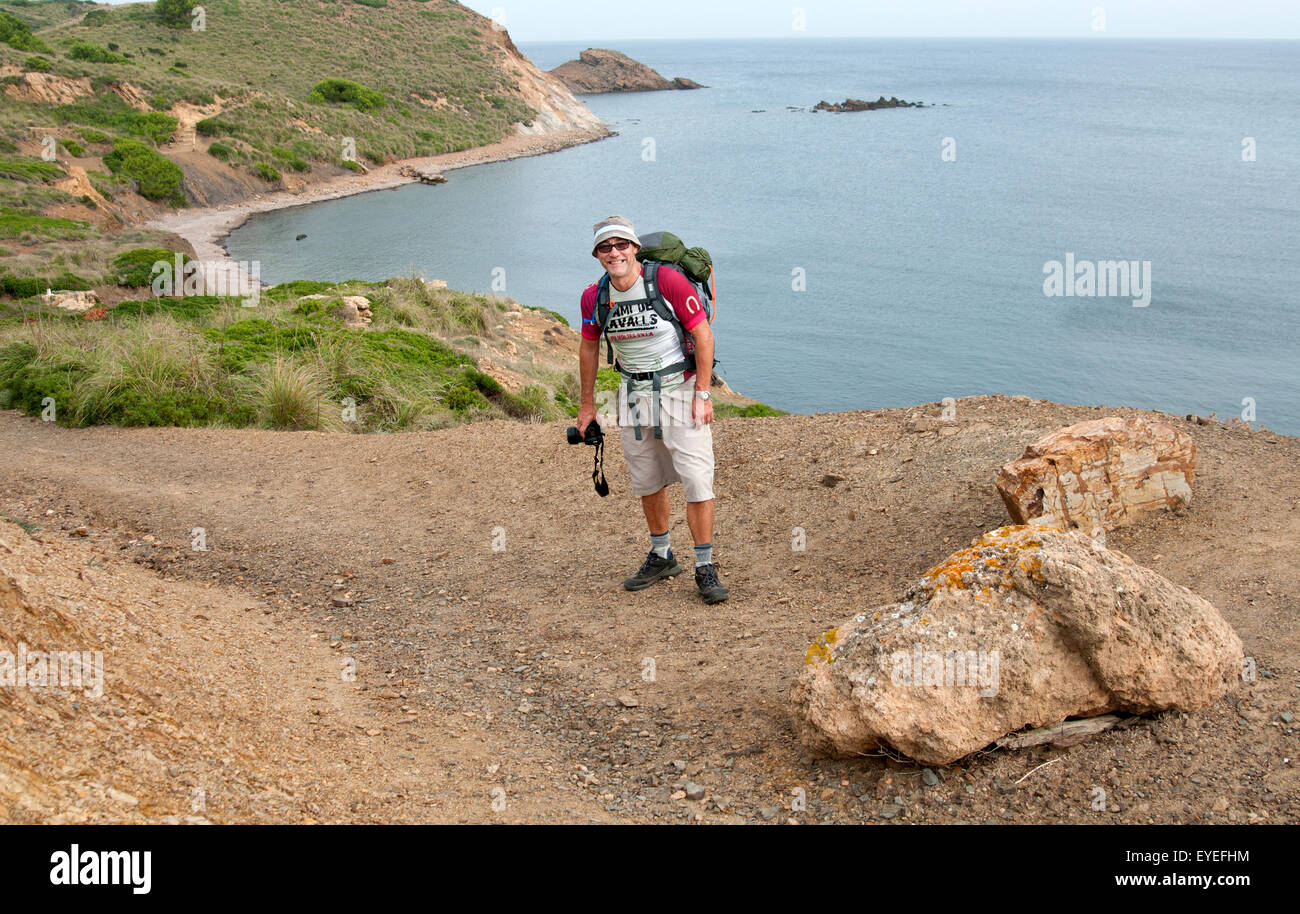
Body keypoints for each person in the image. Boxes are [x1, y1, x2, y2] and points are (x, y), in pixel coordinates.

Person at [575, 216, 729, 604]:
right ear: (597, 255)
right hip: (632, 394)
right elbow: (589, 347)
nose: (615, 253)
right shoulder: (594, 296)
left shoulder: (665, 282)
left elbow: (702, 334)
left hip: (680, 389)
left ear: (635, 248)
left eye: (621, 244)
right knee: (647, 480)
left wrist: (704, 394)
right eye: (605, 247)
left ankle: (705, 566)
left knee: (696, 480)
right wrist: (587, 405)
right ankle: (662, 556)